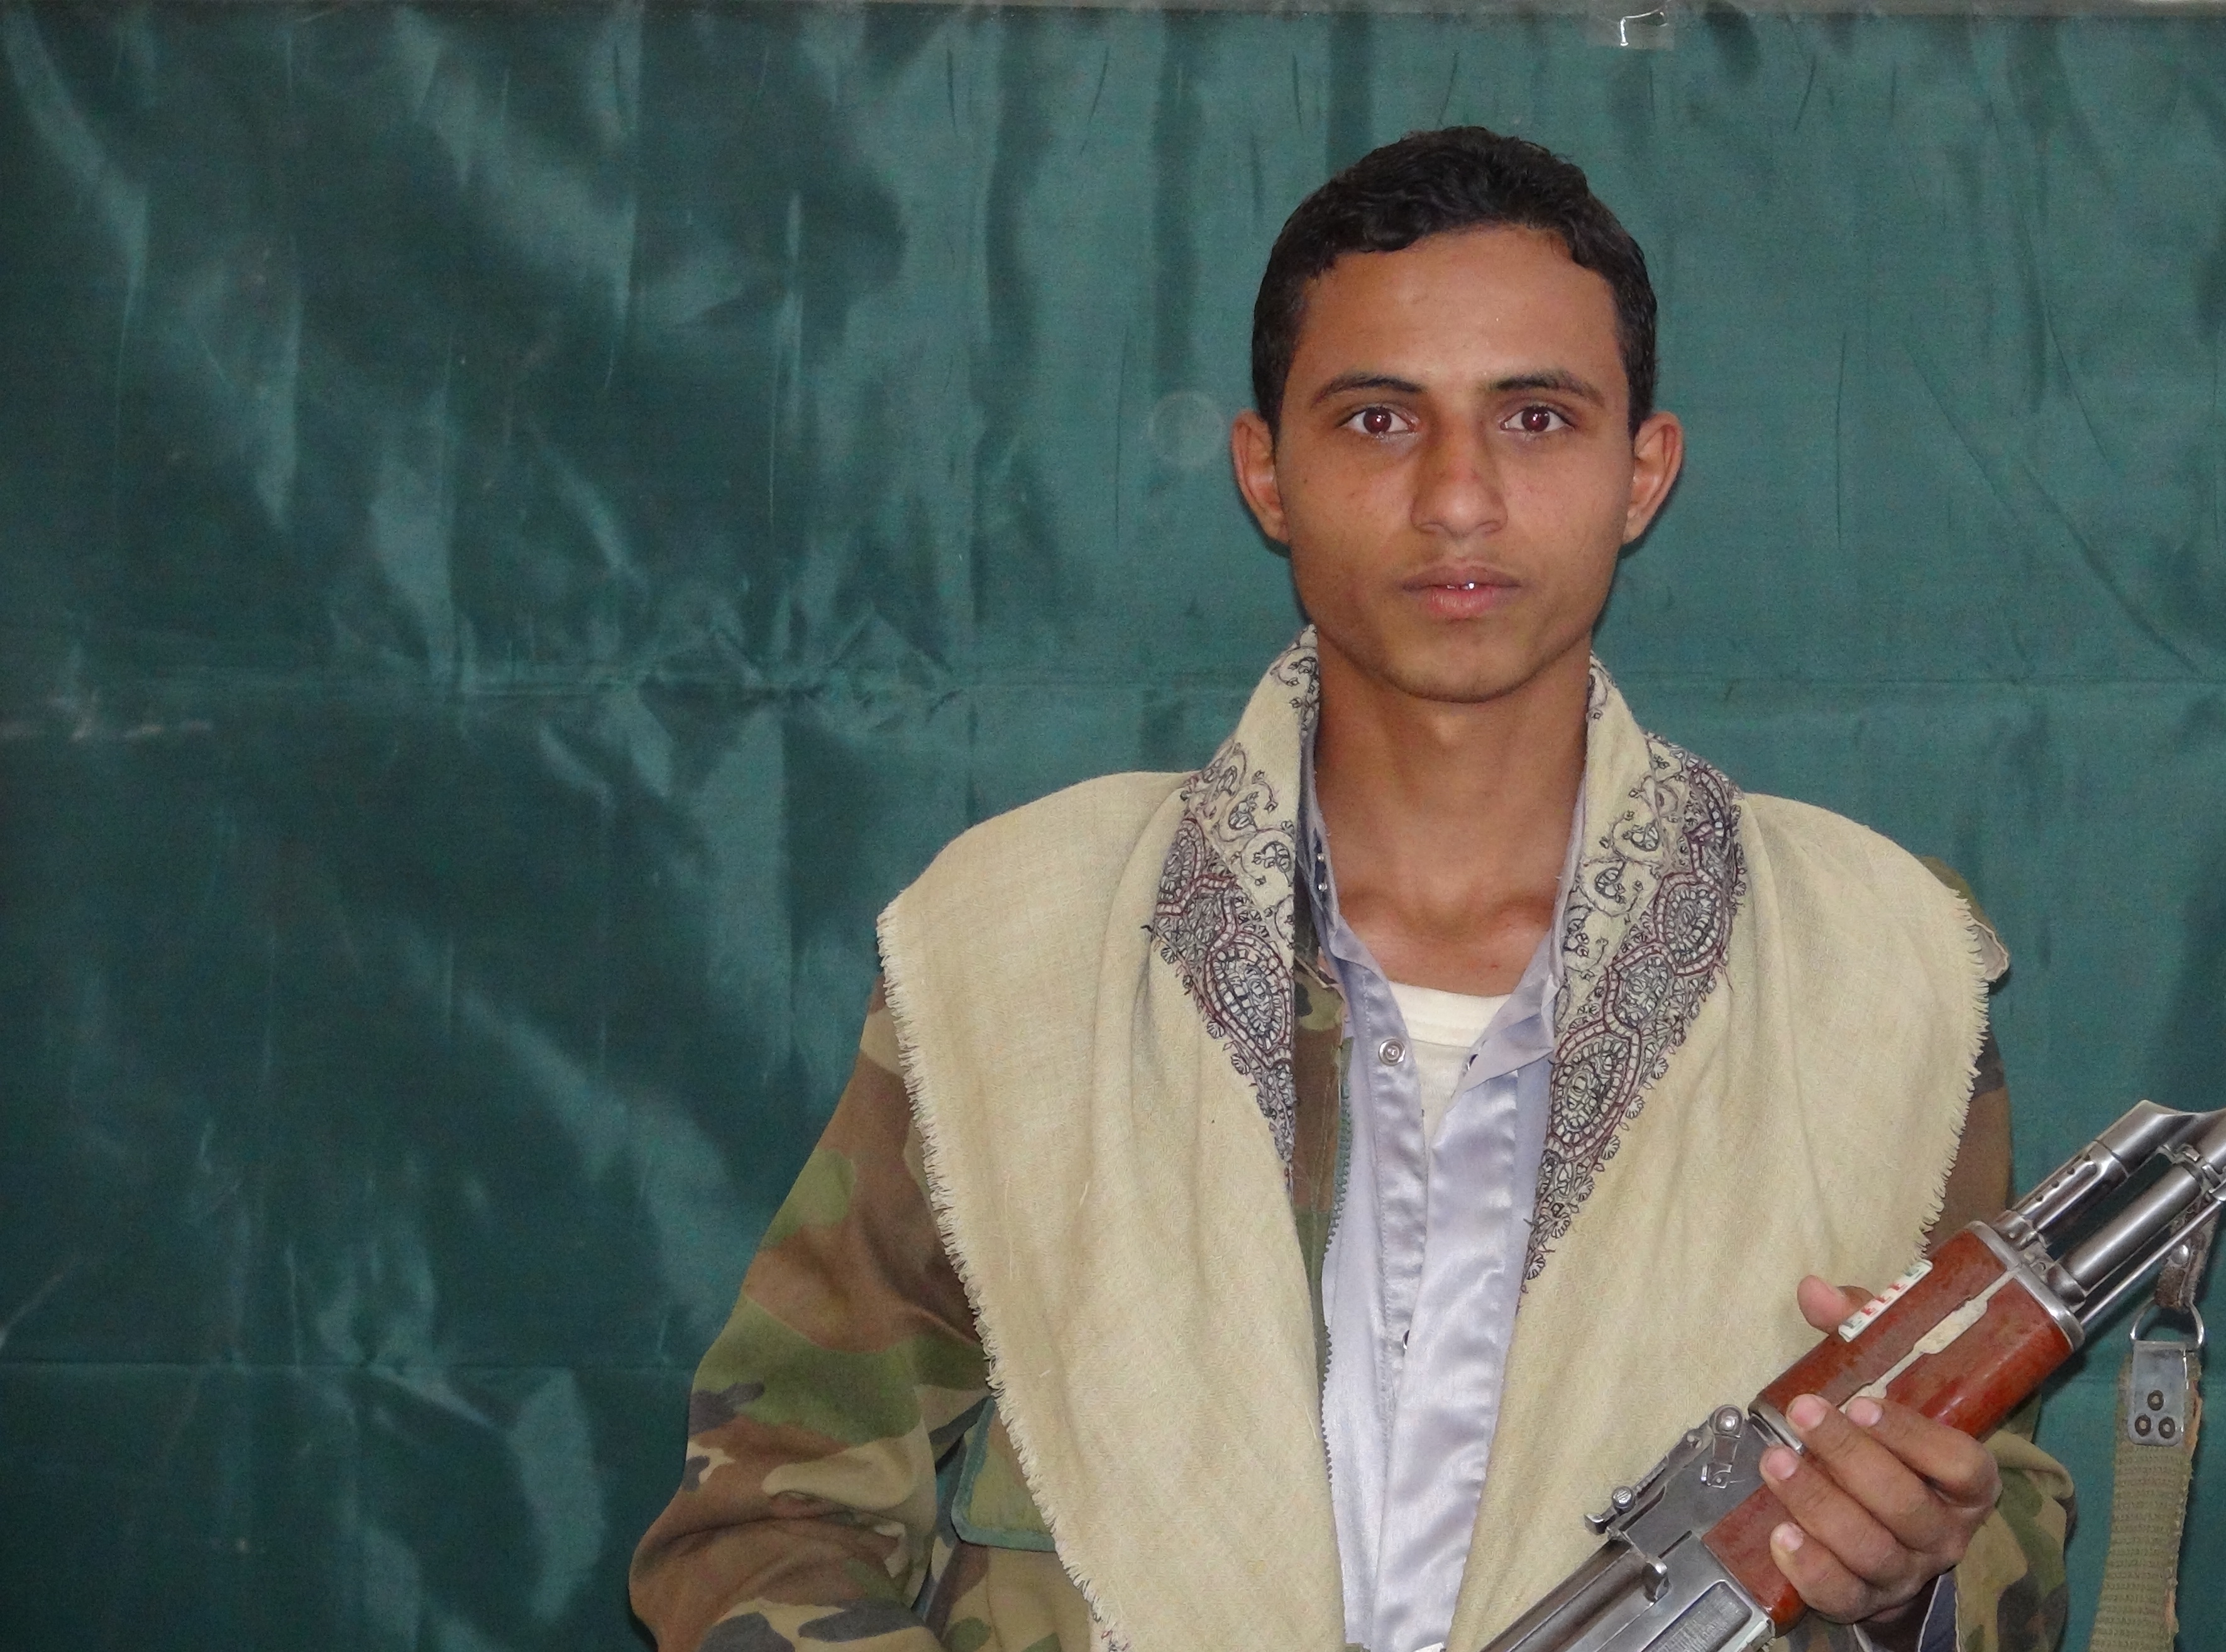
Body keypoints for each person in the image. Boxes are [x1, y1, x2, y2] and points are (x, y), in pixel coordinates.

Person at [631, 127, 2071, 1652]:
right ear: (1267, 472)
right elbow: (767, 1511)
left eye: (1534, 417)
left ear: (1640, 472)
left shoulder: (1867, 962)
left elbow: (2004, 1516)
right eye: (1379, 420)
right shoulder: (1027, 944)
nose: (1456, 498)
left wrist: (1907, 1579)